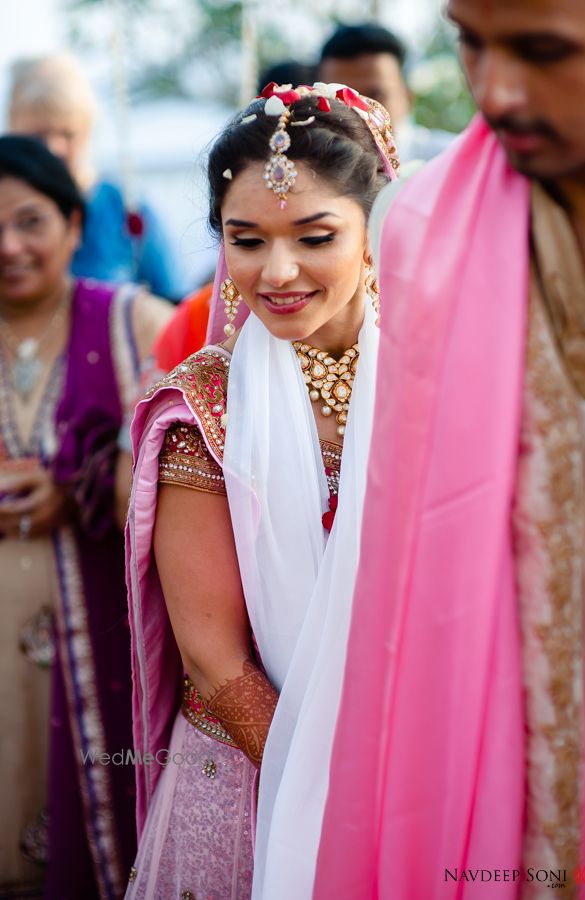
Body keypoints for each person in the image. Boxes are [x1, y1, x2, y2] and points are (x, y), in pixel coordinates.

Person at [315, 1, 585, 898]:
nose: (498, 91)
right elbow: (411, 553)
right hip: (503, 711)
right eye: (469, 44)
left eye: (544, 50)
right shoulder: (426, 226)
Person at [125, 82, 398, 898]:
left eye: (314, 236)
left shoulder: (442, 386)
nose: (276, 271)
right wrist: (331, 794)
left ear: (374, 235)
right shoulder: (206, 405)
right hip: (250, 771)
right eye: (246, 240)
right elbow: (213, 661)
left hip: (416, 757)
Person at [0, 135, 172, 899]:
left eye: (30, 221)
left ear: (75, 224)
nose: (9, 246)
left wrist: (88, 485)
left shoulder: (133, 323)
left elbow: (199, 468)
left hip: (94, 641)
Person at [7, 54, 187, 301]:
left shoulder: (127, 210)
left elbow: (172, 302)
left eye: (67, 134)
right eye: (38, 136)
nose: (53, 149)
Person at [319, 22, 454, 163]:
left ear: (408, 97)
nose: (358, 112)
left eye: (374, 97)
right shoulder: (302, 170)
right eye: (338, 99)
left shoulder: (450, 160)